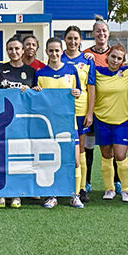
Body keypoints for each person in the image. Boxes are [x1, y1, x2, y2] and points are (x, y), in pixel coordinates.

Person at [35, 38, 84, 209]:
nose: (54, 54)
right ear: (46, 52)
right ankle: (52, 195)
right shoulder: (40, 73)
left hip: (69, 123)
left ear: (62, 51)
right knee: (50, 160)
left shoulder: (71, 70)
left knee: (75, 160)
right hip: (49, 124)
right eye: (51, 51)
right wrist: (36, 92)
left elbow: (79, 92)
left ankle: (75, 195)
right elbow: (37, 100)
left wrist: (77, 93)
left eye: (57, 50)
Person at [0, 36, 37, 209]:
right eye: (10, 49)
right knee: (1, 156)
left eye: (17, 48)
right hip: (2, 121)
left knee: (19, 157)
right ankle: (1, 193)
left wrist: (33, 91)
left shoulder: (30, 71)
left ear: (23, 50)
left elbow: (37, 95)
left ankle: (17, 193)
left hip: (22, 122)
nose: (14, 52)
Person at [93, 43, 128, 202]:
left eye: (119, 58)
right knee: (106, 155)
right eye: (113, 56)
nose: (115, 61)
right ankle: (109, 188)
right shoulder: (97, 72)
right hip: (101, 119)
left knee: (120, 155)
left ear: (123, 61)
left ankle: (126, 189)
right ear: (107, 56)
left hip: (122, 120)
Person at [83, 18, 118, 194]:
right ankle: (87, 181)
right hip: (91, 108)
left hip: (111, 110)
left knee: (112, 148)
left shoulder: (116, 54)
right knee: (88, 146)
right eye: (98, 31)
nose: (101, 34)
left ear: (108, 33)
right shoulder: (86, 55)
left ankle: (116, 181)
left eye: (104, 31)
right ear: (93, 34)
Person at [61, 26, 96, 202]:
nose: (73, 42)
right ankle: (62, 185)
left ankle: (81, 188)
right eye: (69, 38)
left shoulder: (88, 60)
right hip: (61, 112)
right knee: (62, 149)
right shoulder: (58, 57)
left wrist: (90, 113)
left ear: (81, 40)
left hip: (81, 110)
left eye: (76, 38)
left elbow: (91, 88)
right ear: (65, 40)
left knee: (80, 151)